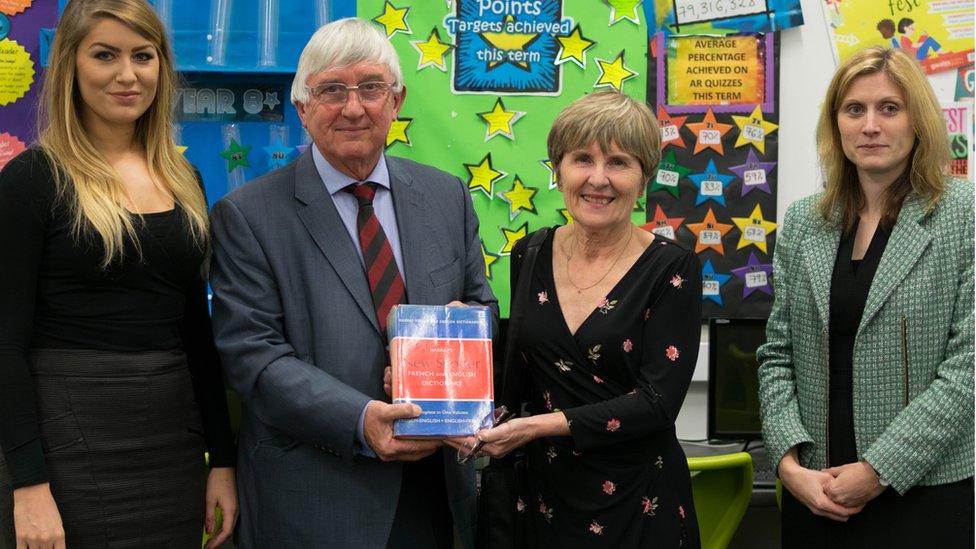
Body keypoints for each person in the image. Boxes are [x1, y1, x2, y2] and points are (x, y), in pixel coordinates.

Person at [208, 17, 497, 549]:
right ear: (301, 108)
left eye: (370, 88)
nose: (354, 107)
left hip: (436, 494)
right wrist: (360, 419)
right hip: (315, 500)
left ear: (396, 99)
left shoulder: (447, 197)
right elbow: (253, 357)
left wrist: (464, 333)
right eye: (332, 91)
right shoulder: (247, 216)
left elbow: (482, 305)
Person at [0, 0, 238, 547]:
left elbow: (197, 334)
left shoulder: (185, 179)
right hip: (65, 447)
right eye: (105, 55)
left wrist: (221, 460)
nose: (127, 75)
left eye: (143, 56)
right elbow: (4, 343)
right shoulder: (33, 180)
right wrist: (28, 484)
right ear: (71, 66)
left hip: (170, 446)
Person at [452, 90, 703, 547]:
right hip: (543, 501)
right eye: (582, 159)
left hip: (638, 503)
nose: (599, 179)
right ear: (558, 169)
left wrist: (535, 427)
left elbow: (657, 402)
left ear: (644, 177)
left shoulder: (673, 268)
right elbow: (524, 375)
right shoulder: (530, 251)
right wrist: (455, 349)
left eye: (619, 163)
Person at [757, 46, 973, 548]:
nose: (870, 125)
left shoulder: (962, 213)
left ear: (918, 120)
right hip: (816, 492)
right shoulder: (805, 221)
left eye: (889, 108)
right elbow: (775, 354)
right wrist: (788, 464)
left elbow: (967, 367)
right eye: (854, 109)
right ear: (836, 125)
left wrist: (877, 471)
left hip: (920, 494)